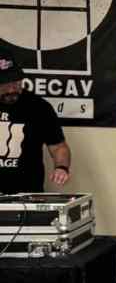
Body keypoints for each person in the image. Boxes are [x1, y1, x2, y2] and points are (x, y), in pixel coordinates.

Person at [0, 53, 71, 194]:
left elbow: (58, 147)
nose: (12, 89)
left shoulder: (38, 107)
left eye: (16, 82)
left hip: (28, 195)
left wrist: (61, 168)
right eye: (6, 84)